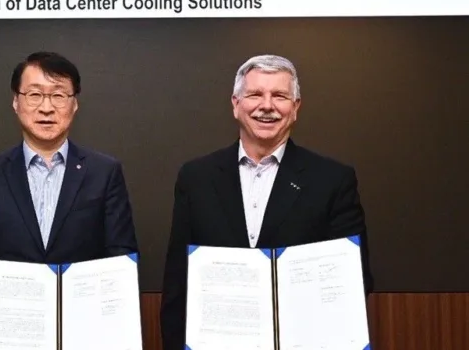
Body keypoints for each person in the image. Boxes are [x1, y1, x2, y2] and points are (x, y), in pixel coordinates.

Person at [160, 54, 374, 350]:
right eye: (255, 94)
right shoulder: (196, 177)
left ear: (295, 108)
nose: (267, 106)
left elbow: (354, 278)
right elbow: (177, 283)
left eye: (280, 96)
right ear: (236, 104)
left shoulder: (333, 180)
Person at [0, 51, 139, 310]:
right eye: (34, 94)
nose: (46, 107)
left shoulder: (105, 172)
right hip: (12, 329)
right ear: (15, 102)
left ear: (74, 104)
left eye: (58, 95)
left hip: (85, 328)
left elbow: (121, 258)